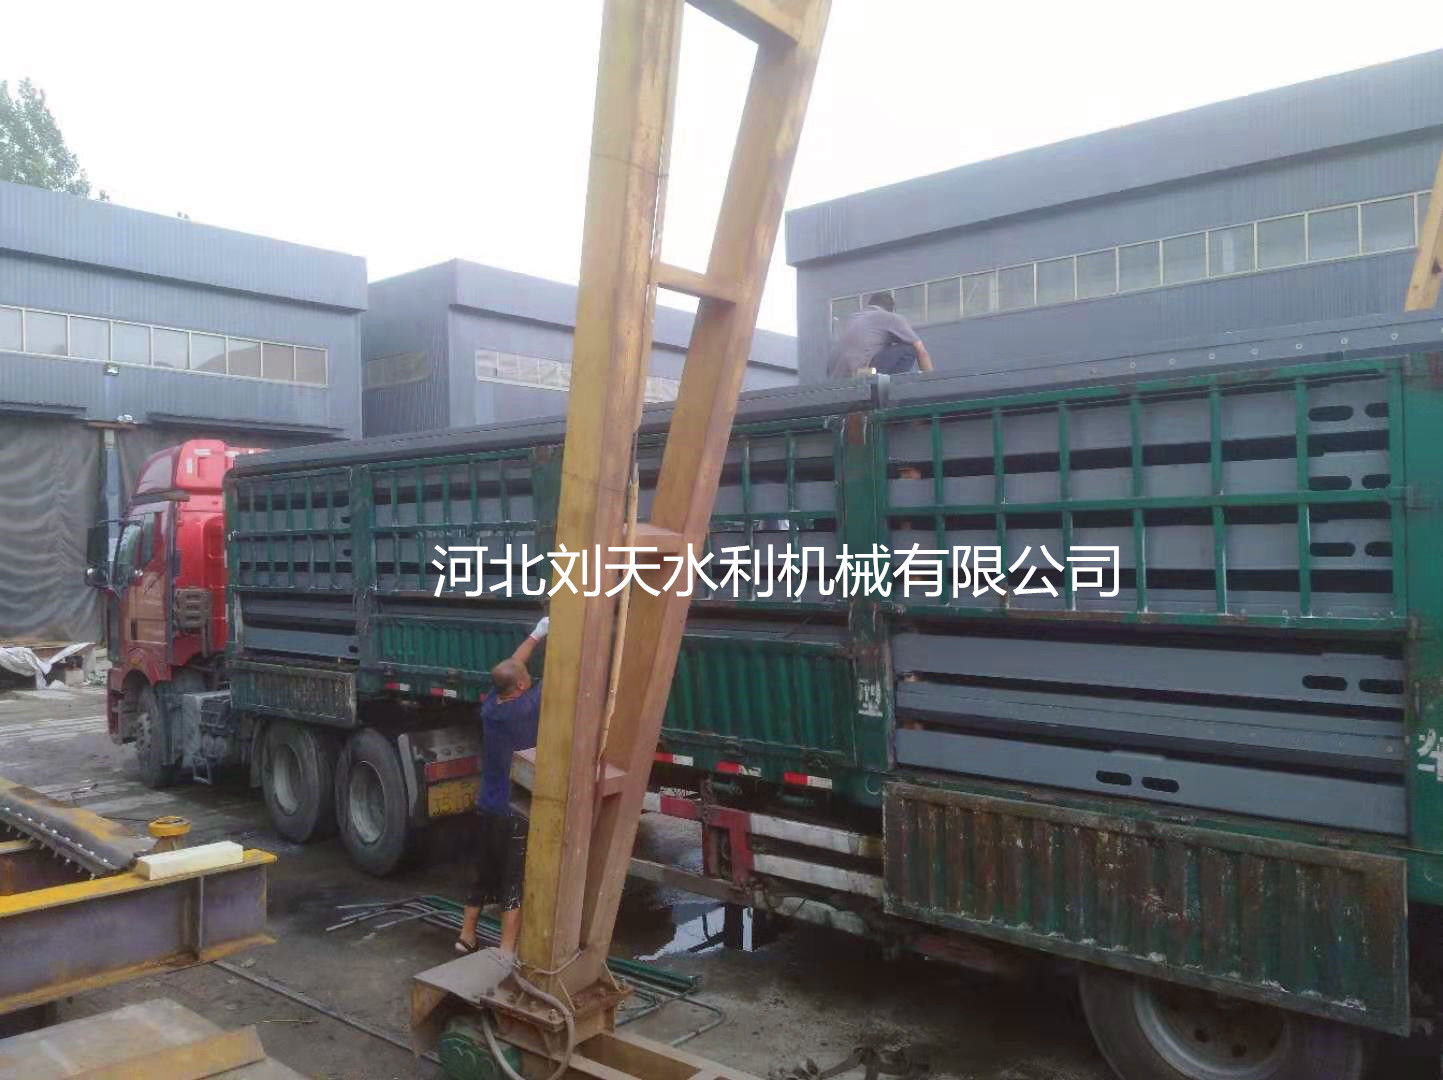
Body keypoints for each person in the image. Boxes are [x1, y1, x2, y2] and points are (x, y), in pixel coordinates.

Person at [457, 614, 550, 958]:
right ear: (523, 686)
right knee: (513, 880)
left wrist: (537, 634)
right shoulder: (526, 709)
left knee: (483, 874)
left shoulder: (492, 707)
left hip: (487, 805)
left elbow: (511, 669)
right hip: (514, 810)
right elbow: (560, 674)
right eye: (527, 678)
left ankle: (466, 936)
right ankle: (507, 951)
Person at [829, 292, 934, 379]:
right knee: (909, 349)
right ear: (891, 309)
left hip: (836, 377)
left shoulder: (853, 318)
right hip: (860, 374)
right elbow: (922, 352)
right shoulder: (890, 317)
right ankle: (891, 387)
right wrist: (931, 381)